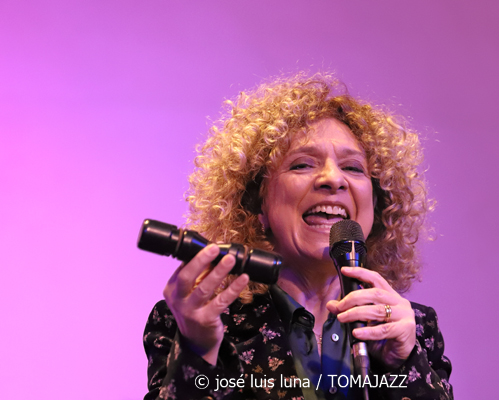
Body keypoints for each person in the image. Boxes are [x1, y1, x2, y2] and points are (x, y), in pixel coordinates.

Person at [143, 72, 453, 400]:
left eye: (353, 168)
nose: (333, 179)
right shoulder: (194, 322)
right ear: (257, 201)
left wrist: (404, 364)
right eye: (302, 165)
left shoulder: (416, 328)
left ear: (377, 206)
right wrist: (198, 351)